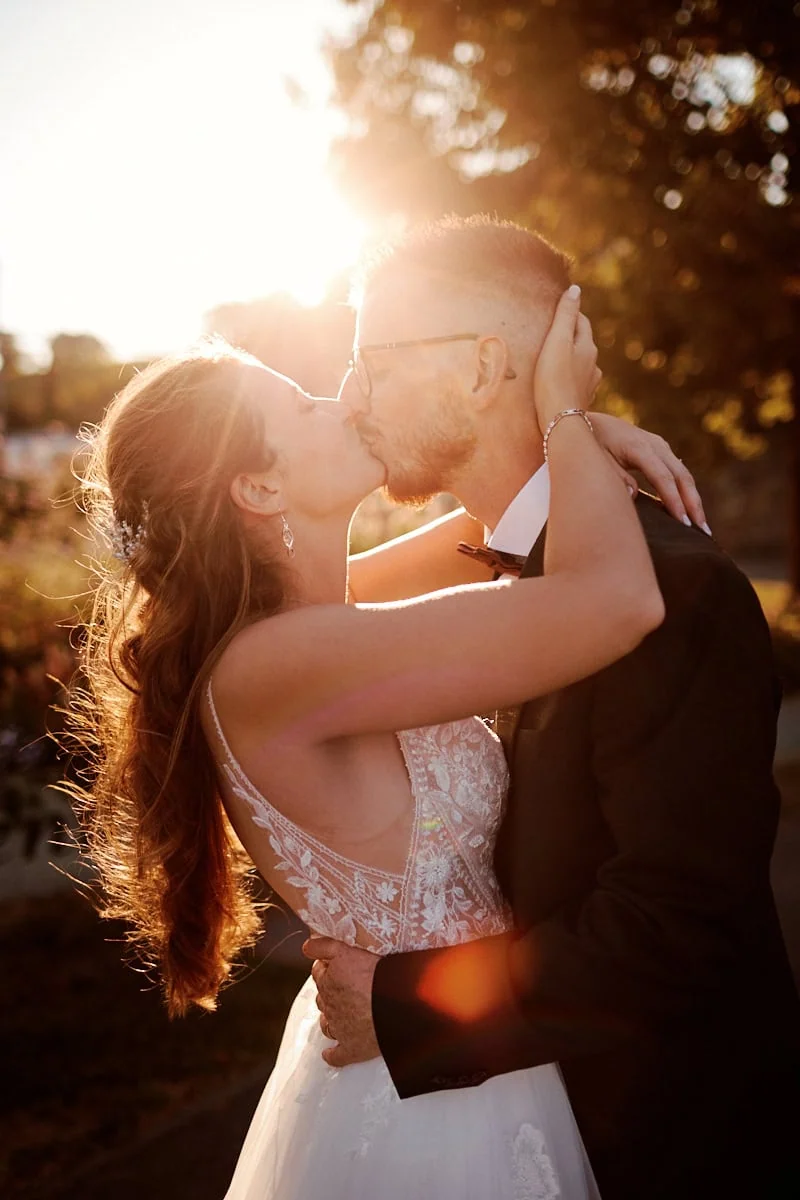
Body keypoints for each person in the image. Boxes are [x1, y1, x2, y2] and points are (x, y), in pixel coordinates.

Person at [69, 282, 702, 1199]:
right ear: (260, 485)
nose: (346, 400)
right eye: (304, 404)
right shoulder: (280, 661)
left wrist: (589, 438)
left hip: (462, 1053)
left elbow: (494, 528)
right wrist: (564, 408)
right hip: (429, 1110)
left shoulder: (317, 617)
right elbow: (615, 601)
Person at [309, 215, 800, 1200]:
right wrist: (571, 439)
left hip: (662, 1145)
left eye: (373, 361)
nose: (350, 396)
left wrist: (410, 1010)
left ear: (484, 365)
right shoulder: (486, 569)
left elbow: (671, 922)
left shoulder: (672, 590)